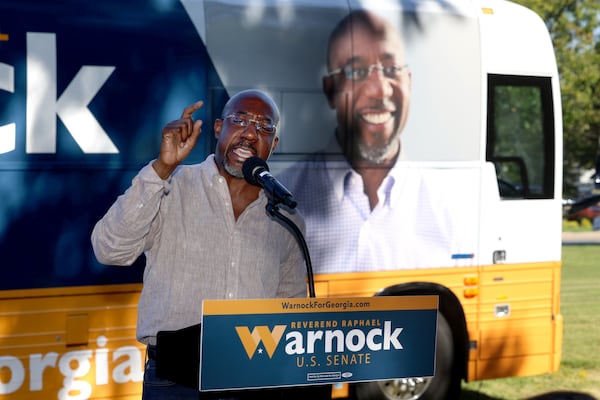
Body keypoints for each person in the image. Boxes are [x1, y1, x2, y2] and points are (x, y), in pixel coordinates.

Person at [91, 89, 314, 400]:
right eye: (240, 120)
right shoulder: (172, 187)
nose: (250, 133)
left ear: (273, 144)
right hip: (175, 383)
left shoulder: (285, 216)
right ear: (219, 128)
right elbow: (109, 249)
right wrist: (162, 168)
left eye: (264, 127)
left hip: (253, 380)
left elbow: (290, 308)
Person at [278, 10, 474, 273]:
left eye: (392, 69)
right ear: (330, 90)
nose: (380, 89)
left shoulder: (450, 212)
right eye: (357, 71)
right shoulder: (282, 199)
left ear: (409, 81)